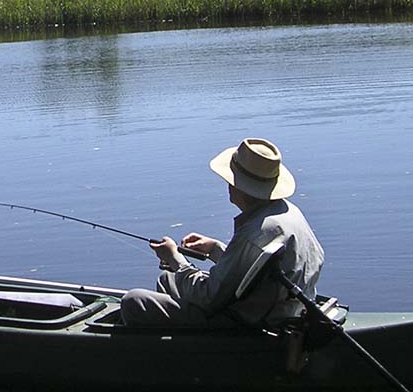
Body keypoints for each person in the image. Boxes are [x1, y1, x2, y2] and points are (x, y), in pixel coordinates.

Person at [120, 138, 324, 327]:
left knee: (134, 301)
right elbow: (254, 271)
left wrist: (174, 258)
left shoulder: (254, 233)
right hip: (284, 311)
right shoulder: (287, 212)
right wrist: (215, 249)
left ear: (239, 186)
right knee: (167, 280)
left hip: (245, 325)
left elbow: (209, 297)